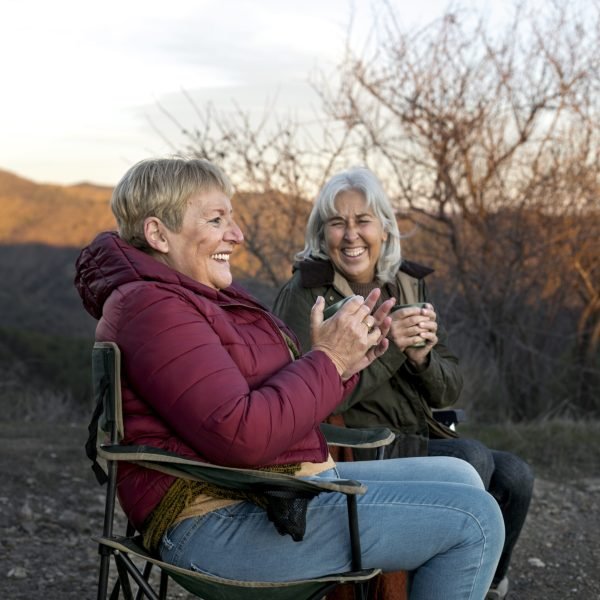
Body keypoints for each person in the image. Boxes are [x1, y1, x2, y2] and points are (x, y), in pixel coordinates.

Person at [75, 157, 504, 599]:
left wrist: (348, 363)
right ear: (157, 234)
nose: (237, 235)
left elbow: (272, 395)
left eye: (233, 218)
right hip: (217, 520)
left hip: (262, 489)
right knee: (476, 520)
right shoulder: (156, 308)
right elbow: (243, 433)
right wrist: (329, 360)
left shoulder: (194, 296)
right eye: (217, 220)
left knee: (461, 475)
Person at [273, 166, 533, 600]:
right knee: (470, 457)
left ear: (385, 229)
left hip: (414, 434)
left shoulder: (407, 284)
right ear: (322, 234)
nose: (351, 235)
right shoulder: (308, 293)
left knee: (516, 476)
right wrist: (392, 345)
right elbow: (308, 393)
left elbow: (449, 390)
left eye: (363, 221)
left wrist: (422, 358)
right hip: (355, 442)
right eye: (337, 223)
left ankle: (483, 584)